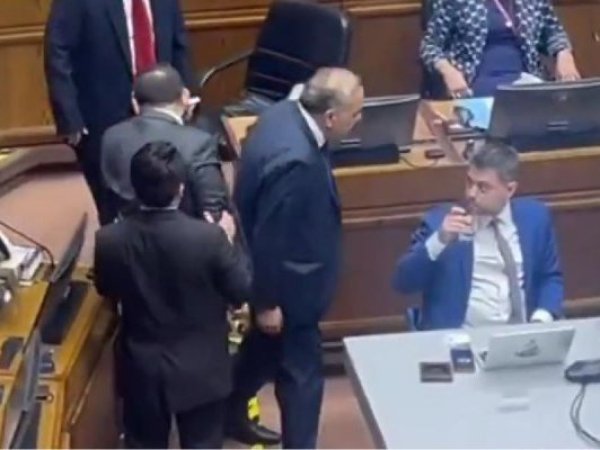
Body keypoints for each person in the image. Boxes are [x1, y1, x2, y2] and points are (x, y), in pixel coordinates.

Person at [228, 67, 364, 449]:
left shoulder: (283, 113)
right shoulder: (297, 162)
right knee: (302, 379)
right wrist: (267, 302)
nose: (360, 119)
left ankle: (228, 410)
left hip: (281, 280)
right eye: (356, 113)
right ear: (331, 117)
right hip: (291, 289)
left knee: (262, 353)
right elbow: (272, 237)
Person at [94, 141, 250, 448]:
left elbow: (106, 288)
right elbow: (240, 289)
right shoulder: (209, 238)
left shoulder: (109, 240)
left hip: (142, 367)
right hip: (202, 368)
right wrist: (230, 241)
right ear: (180, 188)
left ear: (134, 188)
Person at [44, 0, 194, 225]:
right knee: (112, 204)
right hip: (102, 113)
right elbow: (58, 51)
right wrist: (69, 117)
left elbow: (178, 44)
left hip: (163, 110)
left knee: (172, 194)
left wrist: (185, 94)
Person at [392, 141, 564, 330]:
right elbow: (403, 283)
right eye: (469, 183)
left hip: (523, 336)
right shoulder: (440, 222)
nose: (471, 194)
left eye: (483, 187)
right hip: (460, 339)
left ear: (510, 189)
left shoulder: (535, 218)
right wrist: (440, 241)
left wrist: (541, 320)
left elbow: (550, 277)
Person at [101, 63, 227, 222]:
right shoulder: (199, 142)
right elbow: (213, 211)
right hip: (185, 235)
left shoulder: (111, 136)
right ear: (185, 96)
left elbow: (110, 202)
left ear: (135, 103)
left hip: (127, 233)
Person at [420, 0, 581, 98]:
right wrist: (448, 71)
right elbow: (430, 46)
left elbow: (553, 31)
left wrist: (564, 53)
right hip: (475, 86)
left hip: (527, 82)